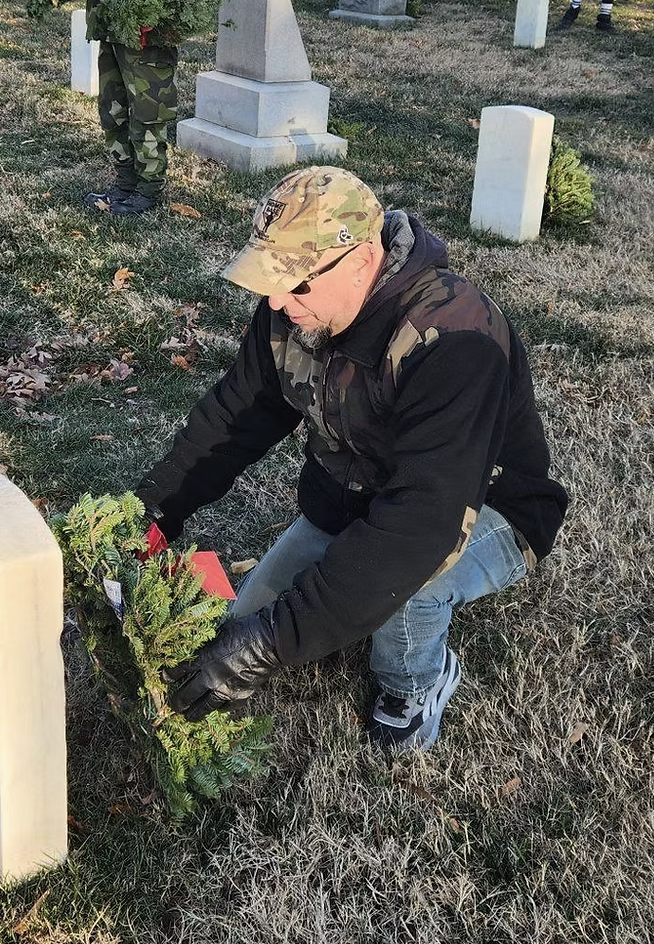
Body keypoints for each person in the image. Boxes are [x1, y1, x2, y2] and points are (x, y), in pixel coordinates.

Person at [135, 166, 569, 754]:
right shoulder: (291, 308)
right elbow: (237, 415)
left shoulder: (456, 337)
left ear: (363, 260)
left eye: (296, 283)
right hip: (352, 498)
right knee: (242, 623)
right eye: (269, 280)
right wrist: (159, 509)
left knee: (408, 584)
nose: (278, 301)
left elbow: (423, 525)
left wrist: (269, 645)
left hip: (484, 507)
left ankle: (416, 685)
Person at [82, 6, 180, 216]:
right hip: (111, 24)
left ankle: (149, 188)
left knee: (147, 113)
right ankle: (126, 182)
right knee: (112, 110)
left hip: (147, 28)